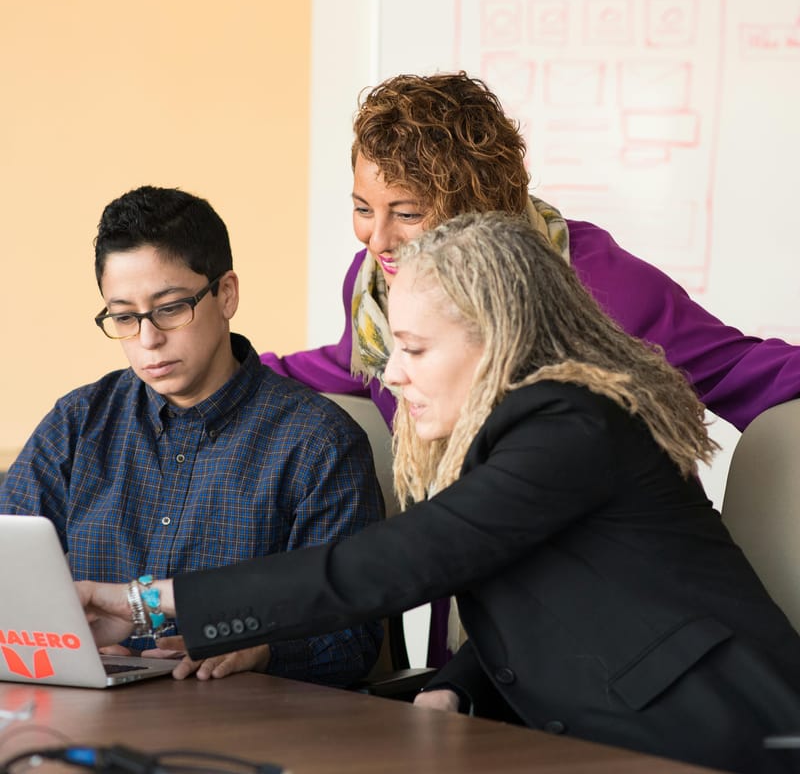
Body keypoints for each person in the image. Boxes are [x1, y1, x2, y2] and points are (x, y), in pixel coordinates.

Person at [78, 212, 800, 774]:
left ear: (497, 337)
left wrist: (146, 600)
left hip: (718, 742)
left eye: (415, 350)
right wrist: (456, 684)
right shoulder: (525, 435)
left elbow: (395, 563)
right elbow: (556, 595)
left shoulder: (573, 424)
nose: (391, 375)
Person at [259, 71, 800, 667]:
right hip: (485, 621)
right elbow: (350, 363)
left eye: (406, 213)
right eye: (363, 208)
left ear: (475, 205)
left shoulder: (599, 281)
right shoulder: (377, 291)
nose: (377, 239)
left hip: (621, 620)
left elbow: (740, 367)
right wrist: (232, 368)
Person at [0, 185, 383, 686]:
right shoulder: (78, 423)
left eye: (170, 307)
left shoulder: (317, 443)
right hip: (85, 715)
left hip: (244, 726)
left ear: (226, 293)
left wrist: (263, 650)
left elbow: (352, 639)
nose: (148, 338)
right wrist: (59, 643)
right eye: (123, 317)